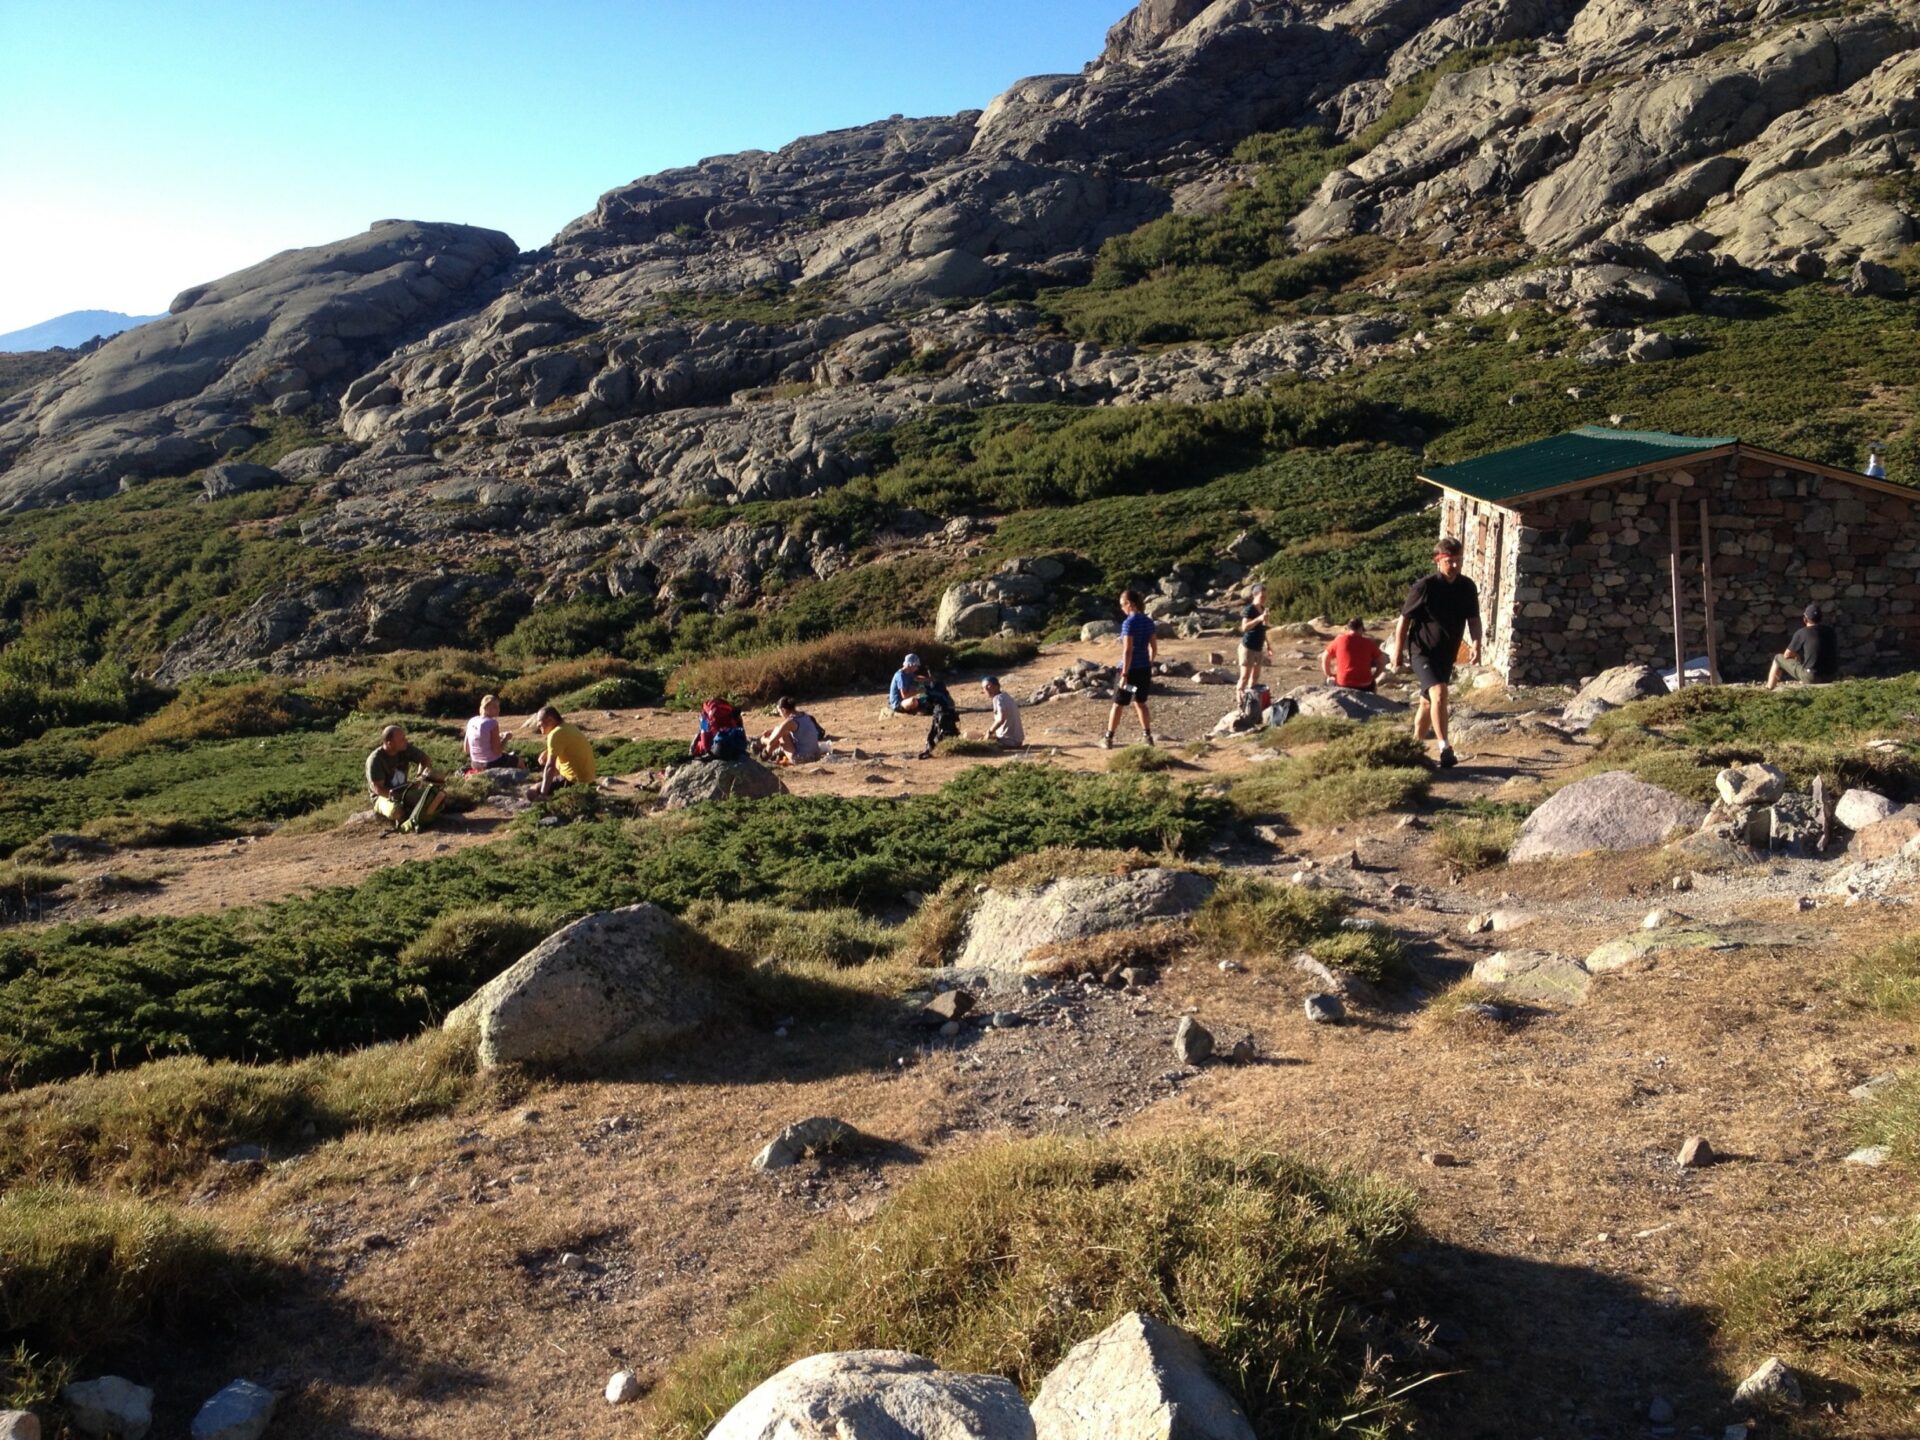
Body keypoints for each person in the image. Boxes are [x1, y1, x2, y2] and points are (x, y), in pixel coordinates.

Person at [1391, 536, 1481, 769]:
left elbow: (1473, 619)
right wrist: (1397, 652)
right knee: (1439, 693)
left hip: (1446, 653)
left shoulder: (1467, 587)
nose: (1455, 565)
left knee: (1427, 703)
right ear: (1438, 561)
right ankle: (1445, 748)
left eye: (1458, 560)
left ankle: (1414, 747)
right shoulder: (1424, 587)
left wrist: (1476, 644)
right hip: (1422, 651)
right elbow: (1404, 620)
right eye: (1450, 561)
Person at [1101, 589, 1157, 749]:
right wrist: (1149, 662)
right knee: (1140, 702)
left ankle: (1108, 738)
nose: (1121, 608)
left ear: (1129, 604)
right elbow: (1154, 648)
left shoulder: (1128, 623)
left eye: (1122, 605)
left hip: (1129, 671)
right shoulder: (1149, 622)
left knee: (1118, 704)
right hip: (1144, 670)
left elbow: (1127, 650)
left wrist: (1124, 674)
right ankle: (1147, 736)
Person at [366, 724, 445, 832]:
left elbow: (425, 759)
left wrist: (419, 777)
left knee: (435, 796)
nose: (405, 741)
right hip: (382, 797)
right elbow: (378, 789)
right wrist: (397, 797)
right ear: (389, 743)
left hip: (404, 791)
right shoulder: (375, 760)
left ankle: (418, 817)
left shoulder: (405, 749)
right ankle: (411, 818)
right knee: (397, 810)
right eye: (402, 739)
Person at [1767, 603, 1839, 689]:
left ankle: (1769, 688)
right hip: (1831, 675)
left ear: (1805, 619)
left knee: (1778, 658)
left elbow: (1787, 655)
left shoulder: (1802, 632)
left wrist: (1796, 656)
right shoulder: (1830, 631)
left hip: (1811, 676)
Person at [532, 704, 597, 797]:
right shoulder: (570, 727)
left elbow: (550, 766)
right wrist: (547, 752)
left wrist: (543, 793)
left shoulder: (555, 734)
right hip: (589, 779)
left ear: (550, 720)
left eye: (540, 724)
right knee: (552, 759)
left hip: (573, 781)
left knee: (531, 792)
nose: (539, 727)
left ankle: (551, 798)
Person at [1323, 619, 1388, 691]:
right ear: (1360, 629)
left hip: (1343, 683)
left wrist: (1329, 674)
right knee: (1372, 682)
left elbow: (1325, 657)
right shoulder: (1368, 643)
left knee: (1327, 680)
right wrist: (1374, 676)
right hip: (1365, 685)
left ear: (1348, 628)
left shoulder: (1339, 640)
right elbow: (1382, 661)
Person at [461, 694, 520, 771]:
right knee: (519, 761)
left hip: (475, 763)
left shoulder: (471, 721)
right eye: (495, 707)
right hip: (490, 763)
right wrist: (506, 738)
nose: (498, 709)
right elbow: (497, 751)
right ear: (486, 707)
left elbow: (466, 749)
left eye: (498, 707)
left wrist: (498, 736)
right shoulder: (492, 723)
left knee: (506, 755)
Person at [760, 695, 825, 765]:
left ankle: (765, 755)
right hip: (816, 755)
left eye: (779, 712)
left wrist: (763, 740)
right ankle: (774, 753)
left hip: (802, 758)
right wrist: (772, 731)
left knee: (782, 736)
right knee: (781, 731)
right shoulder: (805, 716)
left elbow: (772, 742)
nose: (780, 715)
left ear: (783, 710)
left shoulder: (790, 721)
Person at [918, 670, 961, 758]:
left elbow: (925, 701)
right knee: (941, 729)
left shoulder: (929, 689)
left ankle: (940, 748)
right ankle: (942, 746)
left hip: (942, 711)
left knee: (940, 730)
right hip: (947, 710)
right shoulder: (940, 686)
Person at [690, 696, 749, 761]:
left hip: (716, 743)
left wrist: (705, 749)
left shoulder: (705, 715)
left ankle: (697, 748)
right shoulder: (732, 714)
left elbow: (704, 735)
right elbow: (742, 734)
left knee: (703, 744)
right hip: (730, 744)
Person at [1238, 586, 1272, 695]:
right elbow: (1244, 628)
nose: (1264, 599)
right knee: (1245, 677)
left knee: (1255, 676)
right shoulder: (1249, 609)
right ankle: (1240, 700)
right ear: (1254, 595)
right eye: (1262, 596)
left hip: (1259, 646)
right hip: (1248, 646)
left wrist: (1267, 644)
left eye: (1265, 596)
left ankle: (1251, 699)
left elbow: (1263, 628)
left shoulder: (1263, 609)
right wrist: (1259, 618)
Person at [981, 676, 1024, 748]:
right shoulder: (1007, 697)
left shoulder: (998, 699)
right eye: (984, 688)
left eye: (986, 687)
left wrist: (990, 731)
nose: (985, 690)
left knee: (972, 736)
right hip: (1018, 740)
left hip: (1008, 740)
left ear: (992, 686)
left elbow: (1001, 719)